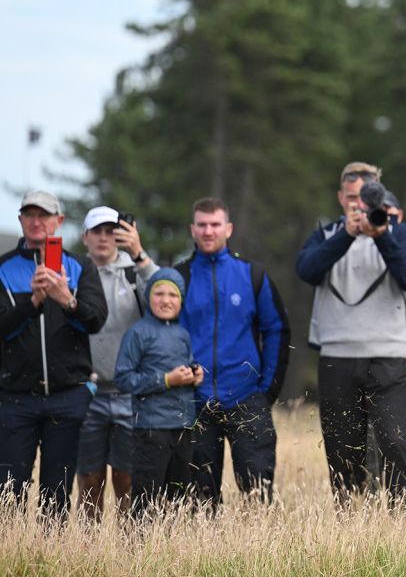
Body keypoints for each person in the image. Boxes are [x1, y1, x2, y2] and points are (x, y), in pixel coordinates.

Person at [296, 162, 406, 505]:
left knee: (395, 442)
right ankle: (351, 522)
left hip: (389, 357)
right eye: (352, 198)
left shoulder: (399, 233)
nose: (358, 205)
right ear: (341, 198)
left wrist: (381, 236)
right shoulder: (326, 235)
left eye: (366, 198)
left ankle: (402, 521)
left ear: (378, 197)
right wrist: (346, 235)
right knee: (342, 448)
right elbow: (306, 270)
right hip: (337, 356)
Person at [176, 198, 290, 510]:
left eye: (215, 224)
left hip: (245, 397)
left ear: (229, 228)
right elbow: (165, 336)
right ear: (192, 229)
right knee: (199, 503)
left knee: (257, 495)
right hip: (195, 402)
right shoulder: (178, 278)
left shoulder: (252, 275)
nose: (208, 231)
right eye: (201, 224)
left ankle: (259, 557)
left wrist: (266, 389)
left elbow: (278, 330)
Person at [0, 191, 107, 519]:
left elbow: (96, 320)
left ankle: (52, 561)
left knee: (56, 492)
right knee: (9, 491)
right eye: (29, 214)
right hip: (16, 398)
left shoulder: (79, 266)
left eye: (44, 215)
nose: (36, 221)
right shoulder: (3, 269)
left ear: (58, 221)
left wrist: (66, 299)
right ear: (20, 220)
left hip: (67, 396)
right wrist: (31, 304)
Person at [76, 206, 158, 521]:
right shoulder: (75, 273)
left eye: (111, 231)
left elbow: (166, 294)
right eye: (96, 232)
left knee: (127, 477)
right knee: (89, 477)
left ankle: (127, 552)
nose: (103, 238)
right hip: (88, 391)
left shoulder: (134, 271)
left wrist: (138, 252)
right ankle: (89, 552)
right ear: (85, 237)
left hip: (130, 393)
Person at [114, 269, 202, 518]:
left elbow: (185, 366)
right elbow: (123, 378)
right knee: (147, 499)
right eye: (159, 293)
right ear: (148, 297)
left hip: (183, 427)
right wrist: (166, 380)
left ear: (181, 300)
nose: (166, 300)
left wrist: (194, 376)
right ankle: (140, 550)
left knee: (178, 499)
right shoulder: (138, 333)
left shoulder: (183, 334)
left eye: (173, 294)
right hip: (151, 430)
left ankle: (172, 552)